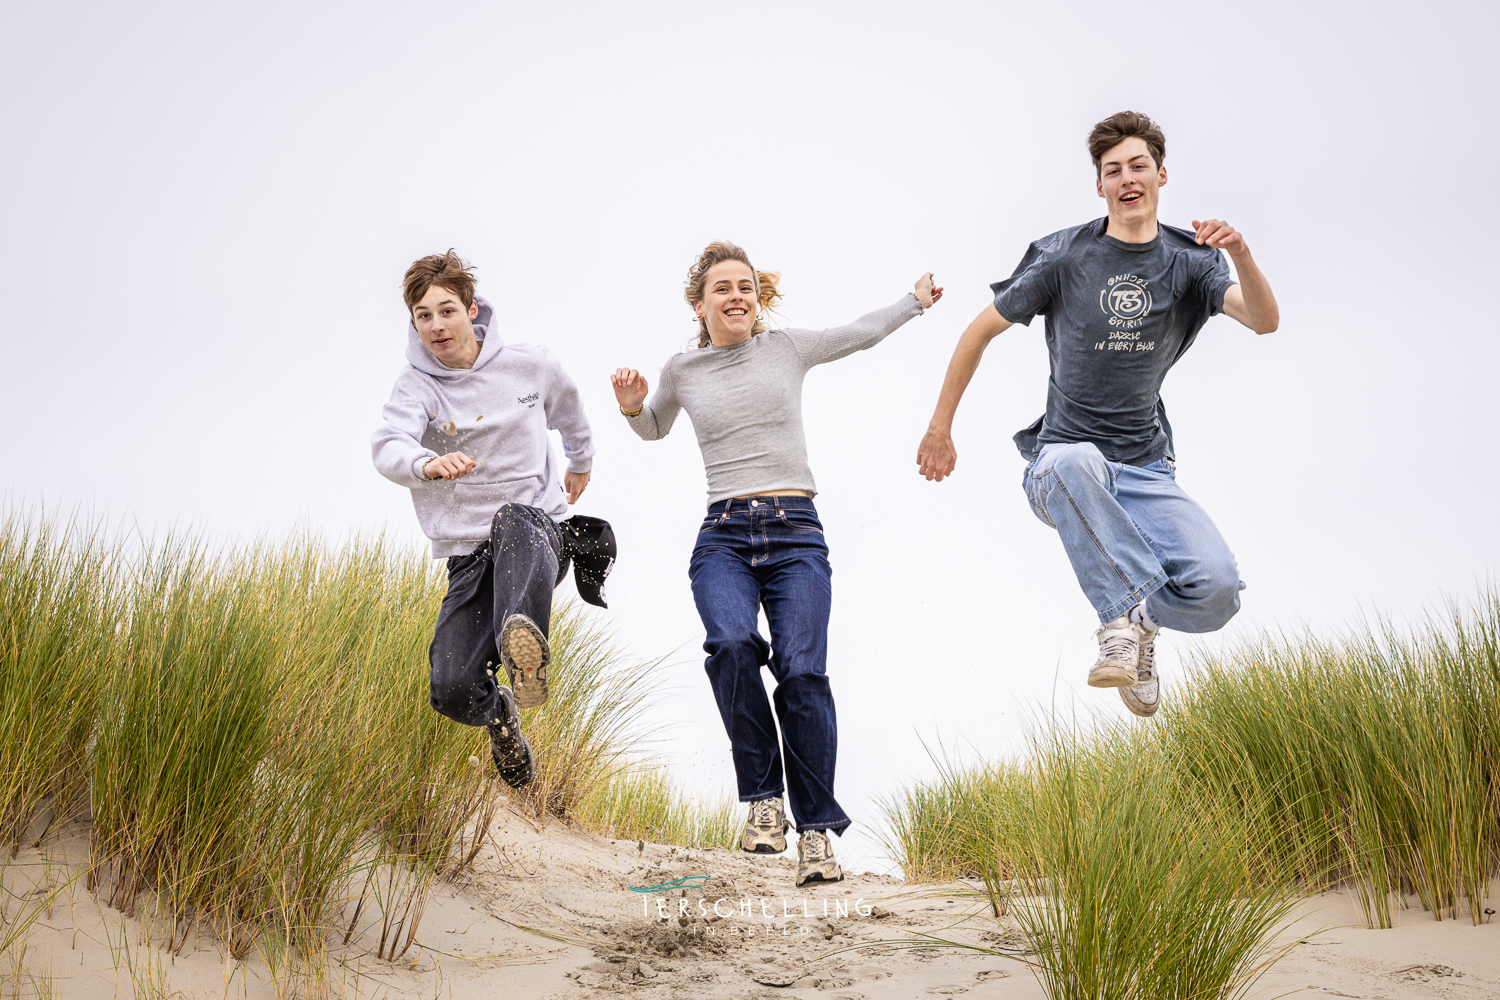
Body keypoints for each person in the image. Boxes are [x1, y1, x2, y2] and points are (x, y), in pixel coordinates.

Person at [916, 111, 1280, 718]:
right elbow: (977, 332)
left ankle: (1138, 624)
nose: (1127, 178)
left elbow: (1264, 320)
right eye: (1114, 171)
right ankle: (1119, 622)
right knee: (1075, 459)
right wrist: (939, 427)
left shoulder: (1190, 261)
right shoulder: (1065, 255)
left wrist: (1240, 253)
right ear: (1100, 185)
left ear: (1161, 174)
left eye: (1139, 166)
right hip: (1061, 468)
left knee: (1218, 594)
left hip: (1145, 469)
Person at [611, 241, 942, 886]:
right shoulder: (683, 369)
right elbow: (654, 428)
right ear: (700, 303)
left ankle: (817, 835)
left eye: (747, 288)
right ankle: (764, 803)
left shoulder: (785, 349)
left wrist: (914, 302)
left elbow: (857, 335)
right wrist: (631, 406)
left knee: (801, 673)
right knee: (731, 646)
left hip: (796, 535)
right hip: (724, 536)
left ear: (758, 301)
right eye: (722, 288)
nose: (737, 296)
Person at [372, 250, 599, 787]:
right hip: (467, 554)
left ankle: (524, 651)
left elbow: (570, 411)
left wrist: (580, 462)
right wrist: (426, 462)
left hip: (536, 533)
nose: (436, 325)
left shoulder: (530, 365)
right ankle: (502, 716)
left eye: (446, 310)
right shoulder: (416, 386)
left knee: (513, 518)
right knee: (451, 689)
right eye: (423, 316)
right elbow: (387, 446)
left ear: (471, 309)